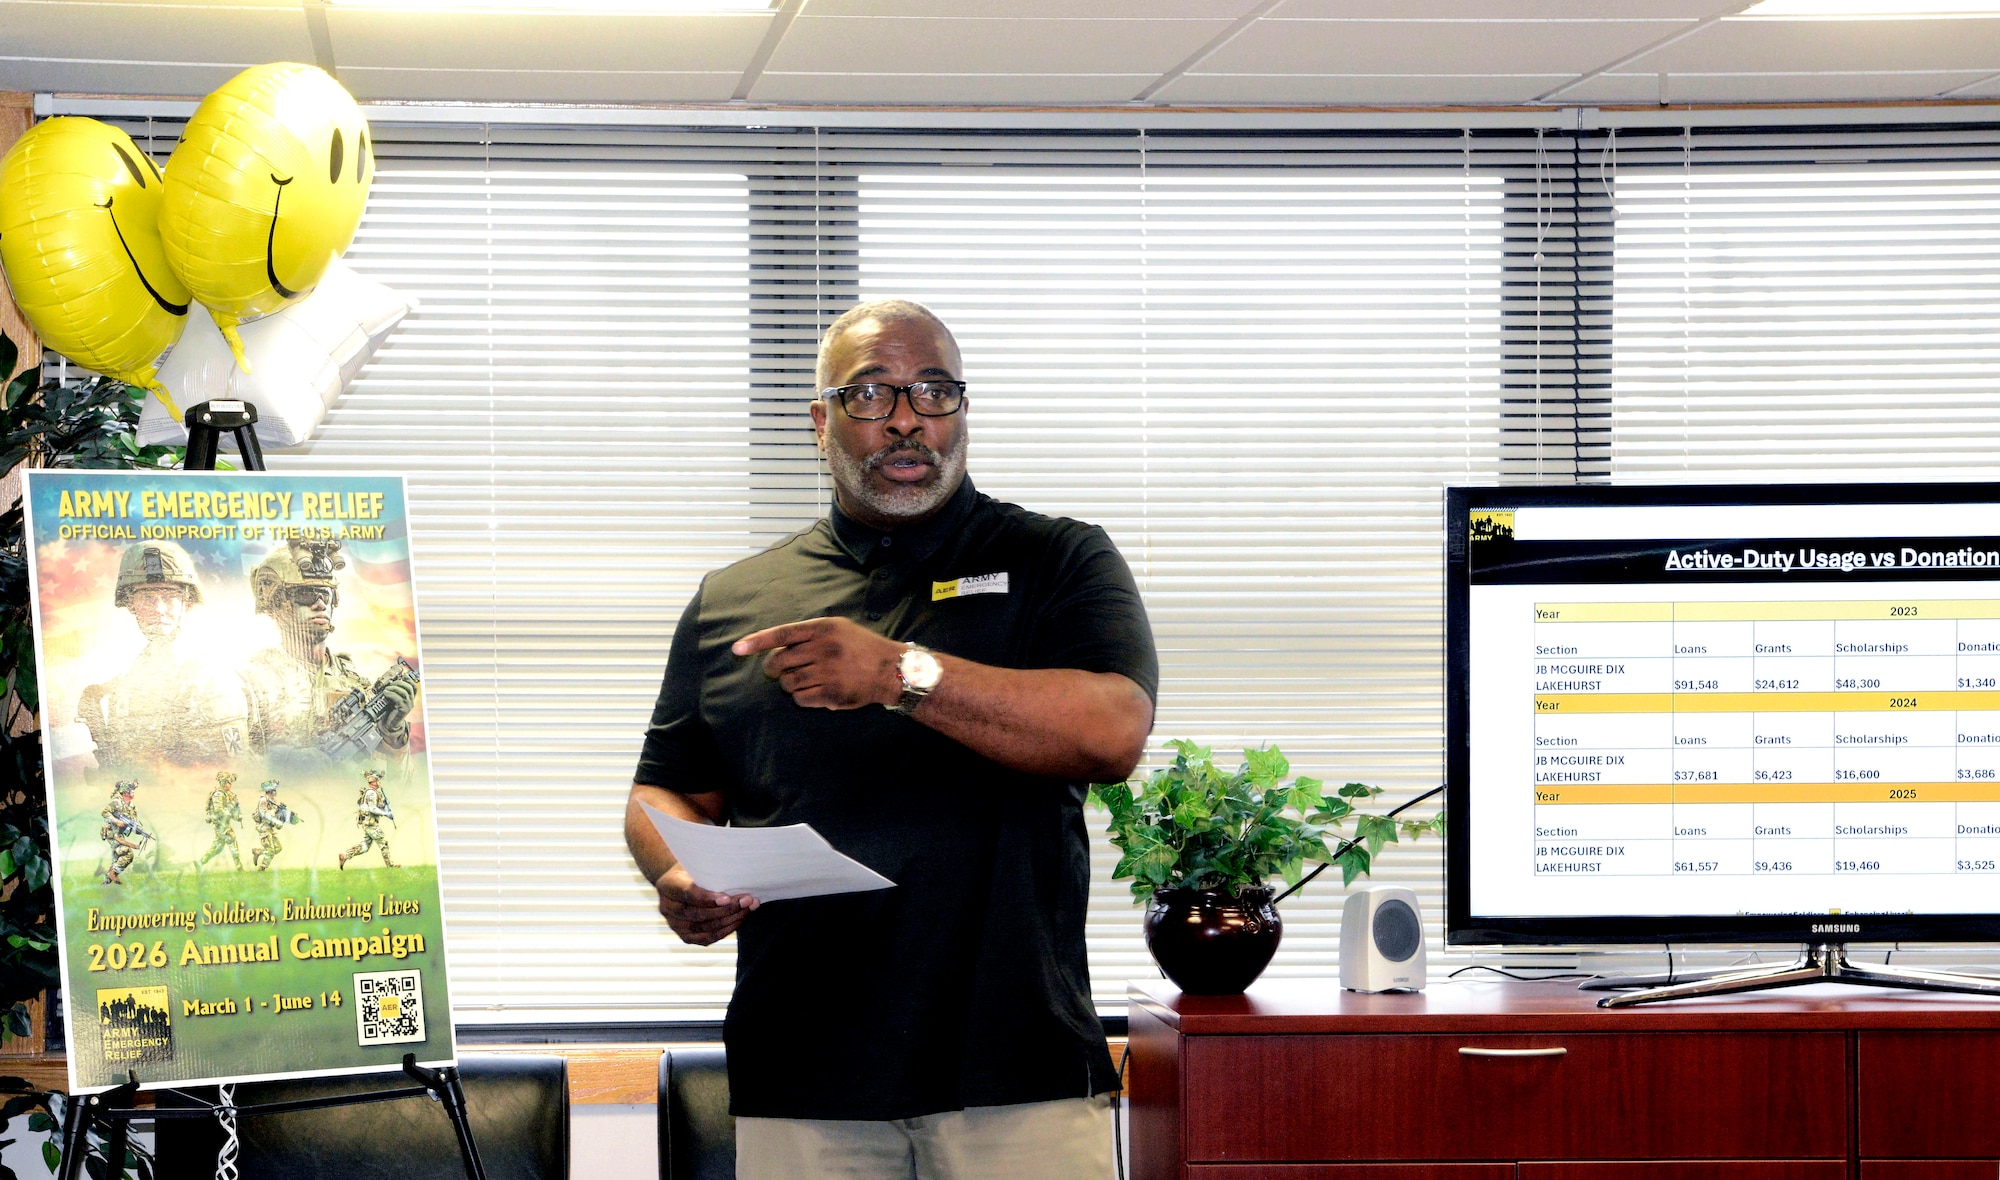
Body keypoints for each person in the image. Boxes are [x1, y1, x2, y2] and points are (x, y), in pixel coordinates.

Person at [624, 299, 1157, 1180]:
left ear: (963, 410)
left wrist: (898, 675)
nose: (908, 419)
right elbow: (663, 790)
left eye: (934, 392)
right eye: (871, 395)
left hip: (1015, 1071)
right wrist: (677, 874)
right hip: (804, 1076)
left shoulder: (1059, 559)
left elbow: (1113, 731)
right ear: (820, 423)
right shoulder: (735, 600)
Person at [239, 538, 416, 772]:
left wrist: (394, 738)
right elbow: (230, 770)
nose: (320, 604)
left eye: (326, 595)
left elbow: (397, 789)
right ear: (276, 605)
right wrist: (283, 765)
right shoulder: (253, 683)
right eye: (306, 595)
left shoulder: (356, 685)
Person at [73, 540, 248, 772]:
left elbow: (236, 770)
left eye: (169, 596)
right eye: (146, 597)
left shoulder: (211, 679)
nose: (158, 608)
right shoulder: (130, 677)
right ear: (131, 604)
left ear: (187, 603)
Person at [339, 768, 396, 869]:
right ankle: (390, 866)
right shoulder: (371, 793)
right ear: (374, 782)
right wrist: (386, 814)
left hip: (369, 823)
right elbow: (372, 808)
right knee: (383, 843)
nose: (379, 782)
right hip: (370, 824)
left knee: (365, 847)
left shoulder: (373, 792)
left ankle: (345, 856)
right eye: (378, 780)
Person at [99, 780, 149, 884]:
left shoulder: (132, 807)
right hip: (111, 832)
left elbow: (132, 823)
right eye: (131, 791)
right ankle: (111, 873)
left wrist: (139, 830)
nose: (133, 793)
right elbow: (105, 812)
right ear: (125, 792)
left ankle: (105, 885)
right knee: (127, 854)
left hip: (119, 834)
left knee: (117, 861)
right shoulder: (116, 802)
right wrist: (116, 821)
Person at [197, 770, 244, 870]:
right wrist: (232, 814)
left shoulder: (228, 794)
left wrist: (237, 816)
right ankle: (239, 867)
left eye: (230, 782)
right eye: (228, 782)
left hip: (223, 823)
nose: (229, 784)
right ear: (223, 782)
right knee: (232, 841)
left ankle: (201, 862)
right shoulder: (218, 794)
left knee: (218, 847)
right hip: (220, 824)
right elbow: (219, 810)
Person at [250, 780, 292, 871]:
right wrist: (275, 811)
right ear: (269, 791)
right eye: (273, 790)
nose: (275, 793)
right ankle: (262, 868)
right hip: (263, 827)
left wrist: (283, 816)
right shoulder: (263, 800)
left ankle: (258, 851)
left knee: (278, 848)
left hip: (271, 828)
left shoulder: (274, 802)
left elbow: (276, 819)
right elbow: (263, 814)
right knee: (271, 851)